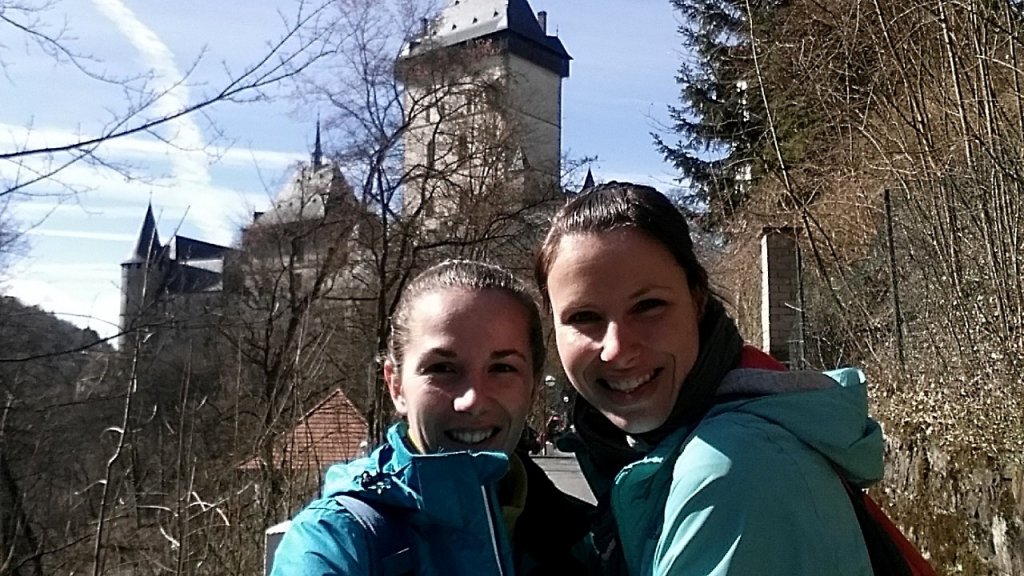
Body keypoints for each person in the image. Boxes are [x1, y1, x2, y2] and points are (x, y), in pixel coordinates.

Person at [534, 181, 885, 575]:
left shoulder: (731, 470)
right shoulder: (670, 447)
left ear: (697, 299)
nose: (616, 349)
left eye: (648, 306)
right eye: (584, 317)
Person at [271, 259, 595, 575]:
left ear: (533, 387)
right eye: (442, 368)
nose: (472, 400)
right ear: (396, 386)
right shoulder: (337, 541)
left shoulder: (591, 542)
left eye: (502, 368)